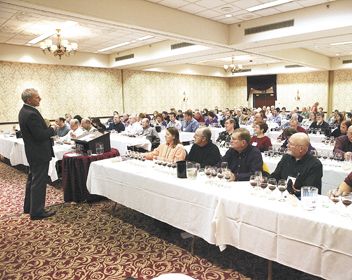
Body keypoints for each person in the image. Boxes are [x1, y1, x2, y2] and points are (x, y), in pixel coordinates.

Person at [18, 88, 56, 220]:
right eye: (37, 97)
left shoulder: (24, 111)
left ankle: (29, 207)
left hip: (33, 152)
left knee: (32, 180)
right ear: (29, 100)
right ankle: (37, 211)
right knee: (39, 182)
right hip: (39, 152)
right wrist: (52, 130)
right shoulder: (31, 114)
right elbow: (40, 136)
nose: (40, 99)